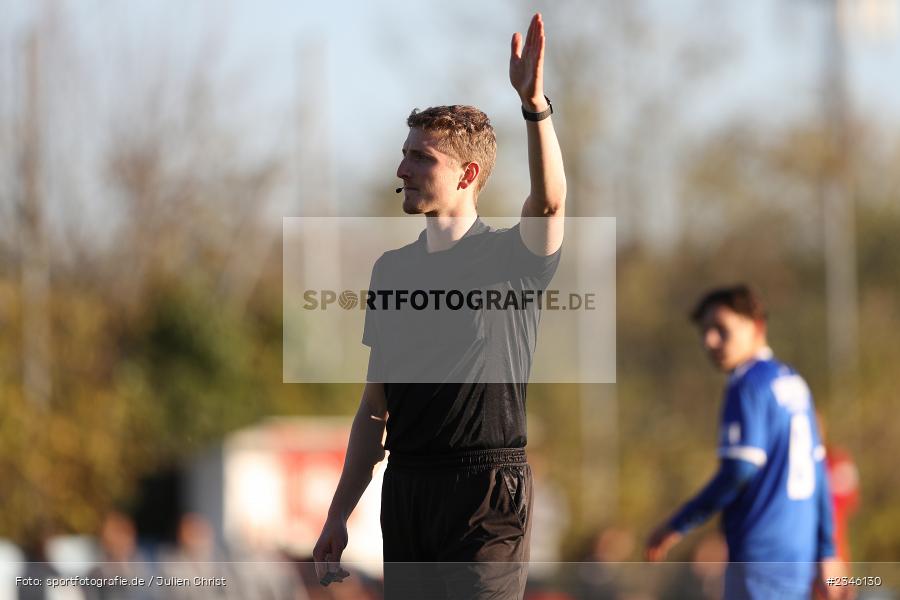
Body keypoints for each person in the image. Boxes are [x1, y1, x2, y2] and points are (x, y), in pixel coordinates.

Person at [312, 12, 566, 600]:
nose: (403, 168)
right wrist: (337, 514)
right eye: (404, 153)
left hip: (487, 492)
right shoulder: (391, 270)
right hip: (407, 490)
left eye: (422, 158)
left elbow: (550, 203)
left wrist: (534, 107)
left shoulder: (512, 258)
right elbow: (374, 410)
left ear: (467, 175)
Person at [645, 285, 846, 600]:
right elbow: (819, 472)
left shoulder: (748, 384)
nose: (709, 340)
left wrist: (679, 523)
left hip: (759, 555)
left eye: (721, 329)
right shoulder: (793, 381)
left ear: (757, 327)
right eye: (705, 331)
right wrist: (828, 551)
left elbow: (739, 470)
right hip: (797, 555)